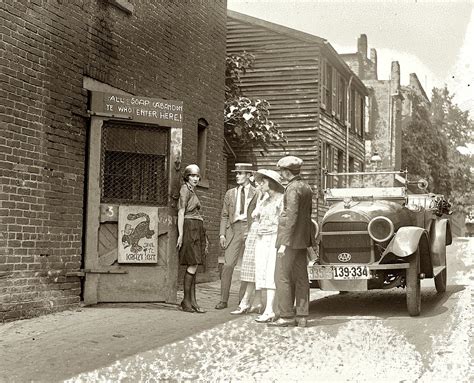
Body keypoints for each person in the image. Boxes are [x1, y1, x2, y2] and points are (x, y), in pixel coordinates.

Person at [269, 156, 313, 327]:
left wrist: (284, 243)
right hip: (302, 240)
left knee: (281, 276)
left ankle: (286, 315)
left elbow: (292, 216)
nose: (281, 174)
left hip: (290, 240)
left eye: (282, 171)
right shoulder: (306, 187)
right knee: (301, 277)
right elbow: (307, 216)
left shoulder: (292, 189)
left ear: (287, 172)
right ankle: (302, 315)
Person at [215, 163, 256, 310]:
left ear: (248, 175)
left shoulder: (256, 193)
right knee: (228, 265)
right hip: (233, 229)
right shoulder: (230, 193)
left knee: (247, 265)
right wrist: (222, 234)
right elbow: (224, 215)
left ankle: (242, 300)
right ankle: (223, 299)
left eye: (240, 173)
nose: (237, 176)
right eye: (236, 173)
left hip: (250, 229)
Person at [252, 169, 284, 322]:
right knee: (262, 271)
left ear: (270, 183)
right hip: (261, 238)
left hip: (274, 238)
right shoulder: (264, 199)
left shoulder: (281, 199)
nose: (260, 184)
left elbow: (284, 221)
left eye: (263, 182)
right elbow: (255, 215)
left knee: (271, 271)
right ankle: (268, 308)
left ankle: (271, 309)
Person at [230, 181, 265, 316]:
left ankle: (247, 302)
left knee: (257, 267)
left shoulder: (269, 199)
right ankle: (255, 302)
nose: (258, 185)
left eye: (261, 183)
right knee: (251, 268)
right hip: (254, 233)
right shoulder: (259, 197)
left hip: (261, 234)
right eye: (257, 182)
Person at [176, 164, 207, 313]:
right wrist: (181, 234)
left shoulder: (191, 190)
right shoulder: (184, 189)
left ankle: (192, 301)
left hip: (196, 228)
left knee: (194, 263)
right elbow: (181, 212)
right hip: (189, 227)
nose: (195, 178)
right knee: (193, 263)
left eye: (197, 176)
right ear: (187, 177)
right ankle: (186, 301)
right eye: (192, 176)